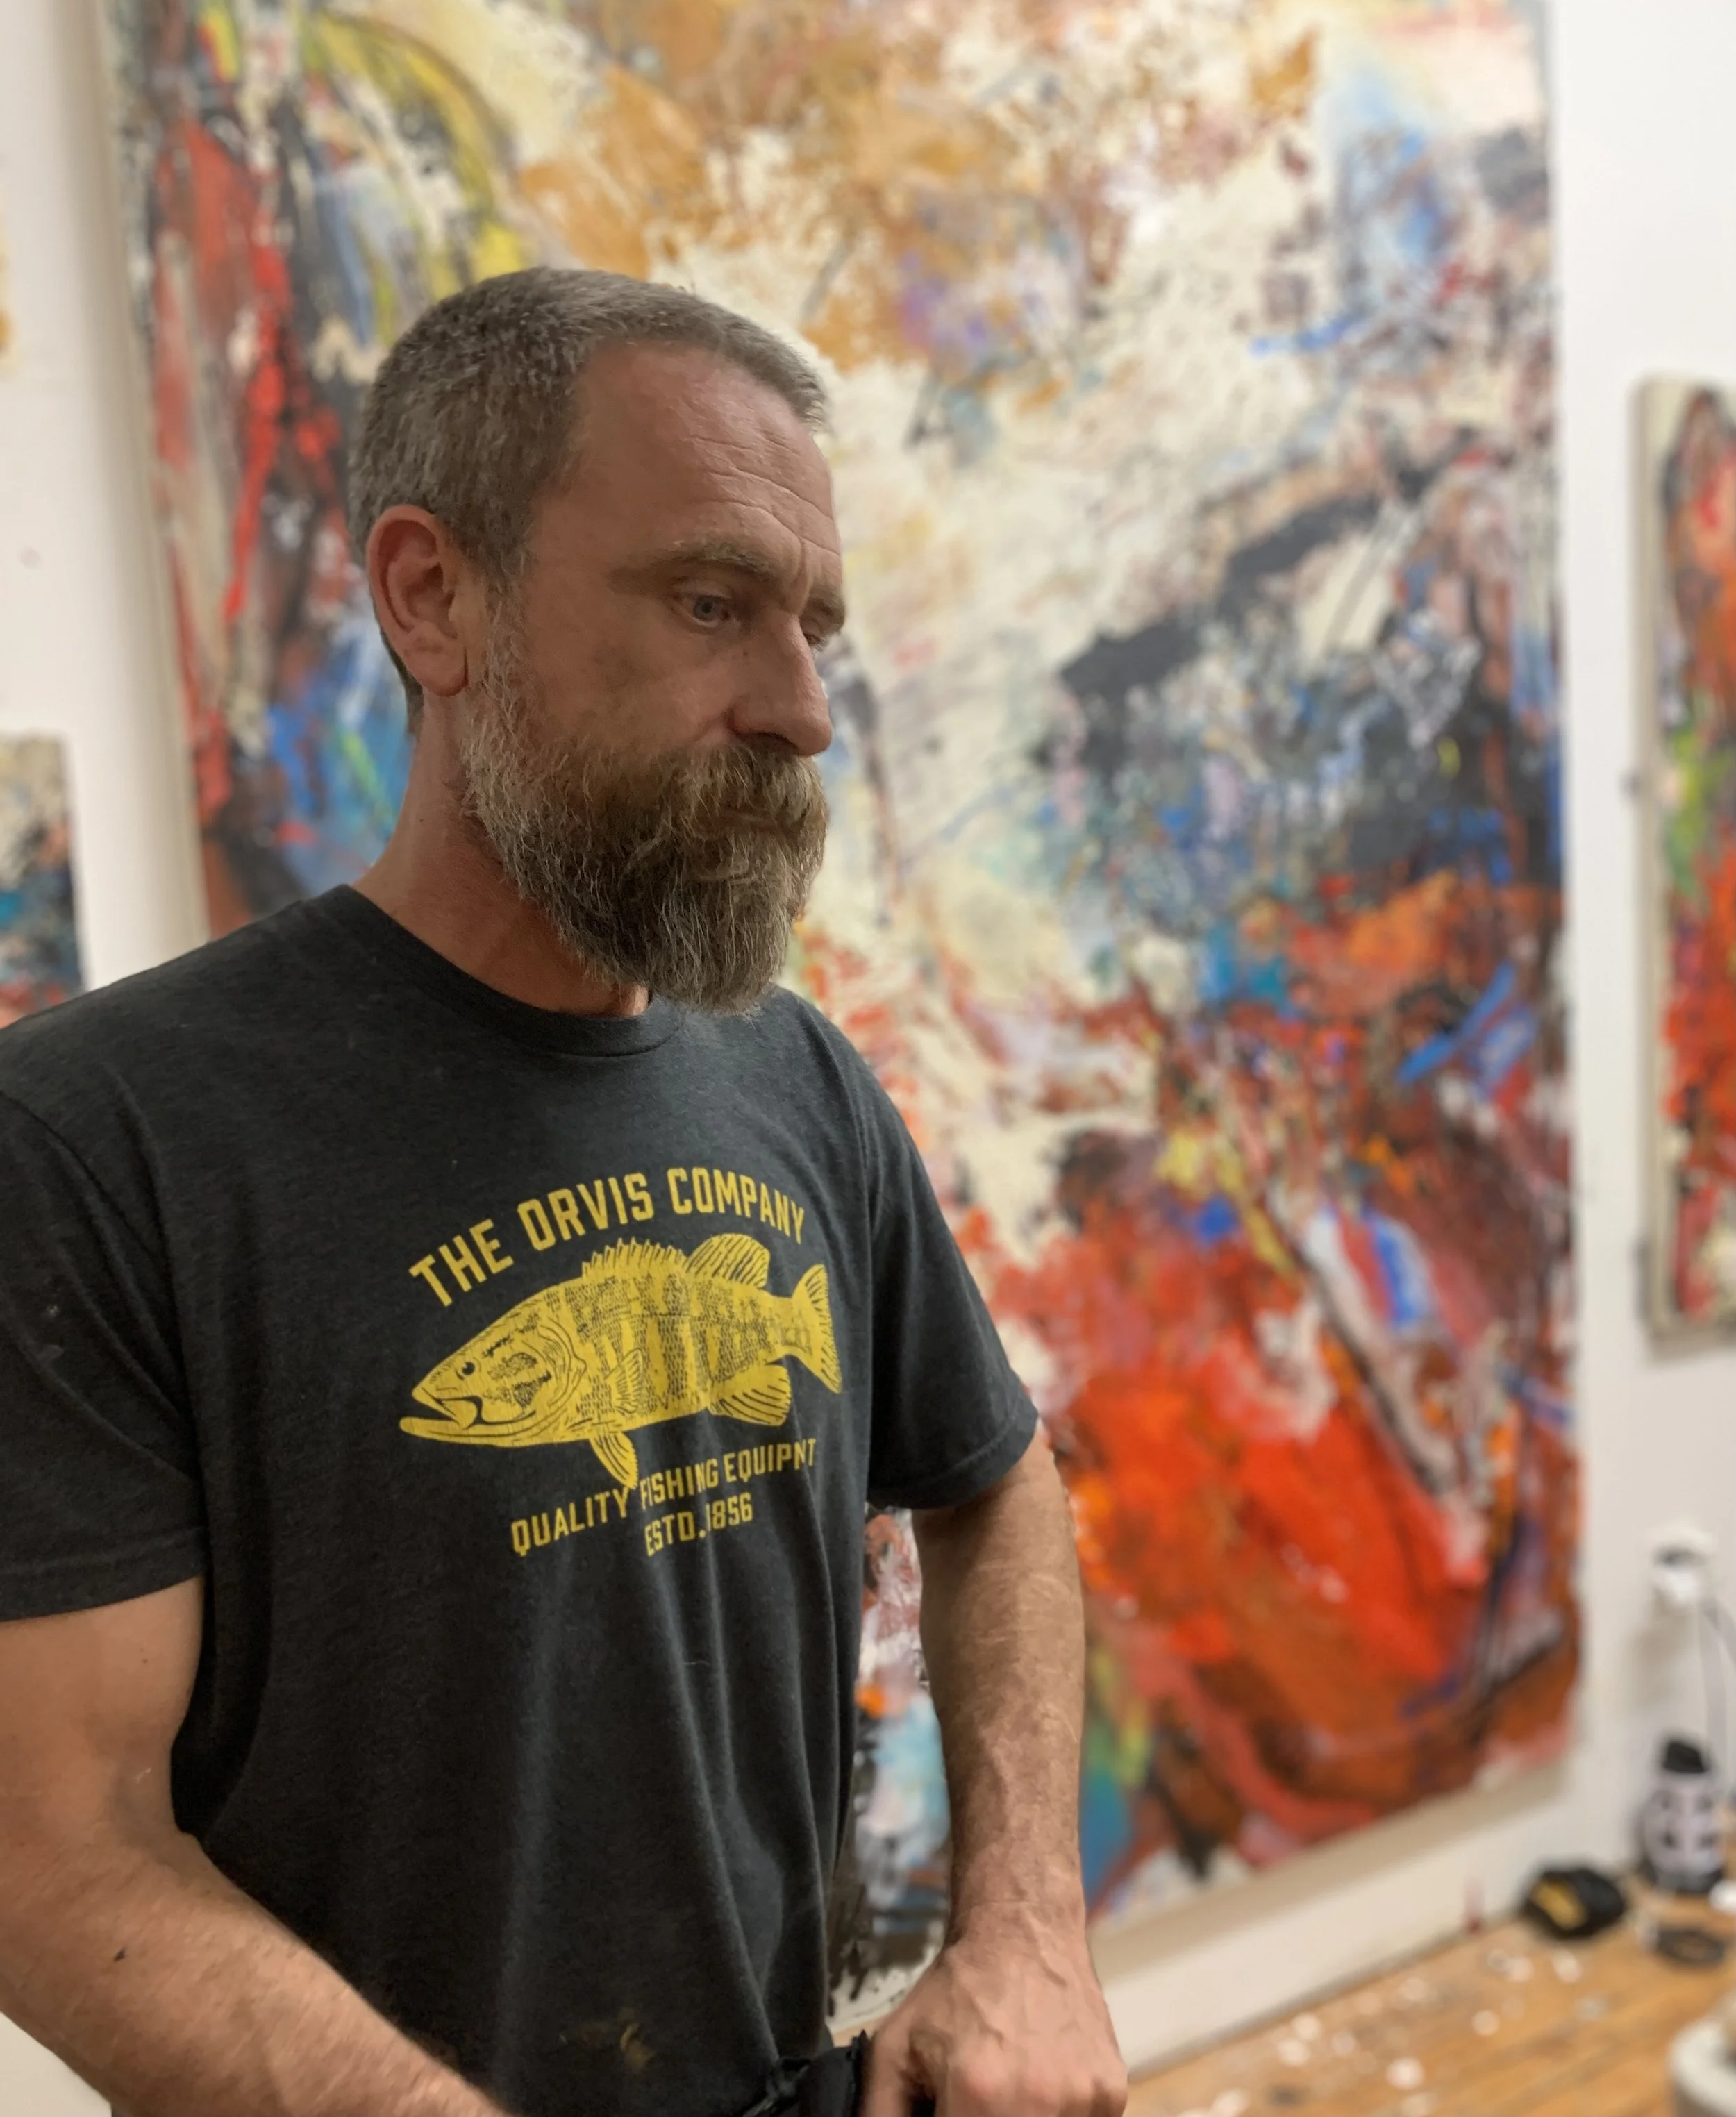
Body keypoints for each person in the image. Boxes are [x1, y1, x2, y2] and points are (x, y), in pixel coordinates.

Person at [0, 269, 1128, 2117]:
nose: (801, 709)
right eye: (711, 603)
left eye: (814, 627)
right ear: (433, 597)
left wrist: (1026, 1931)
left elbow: (995, 1482)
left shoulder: (794, 1076)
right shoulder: (93, 1141)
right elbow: (54, 1850)